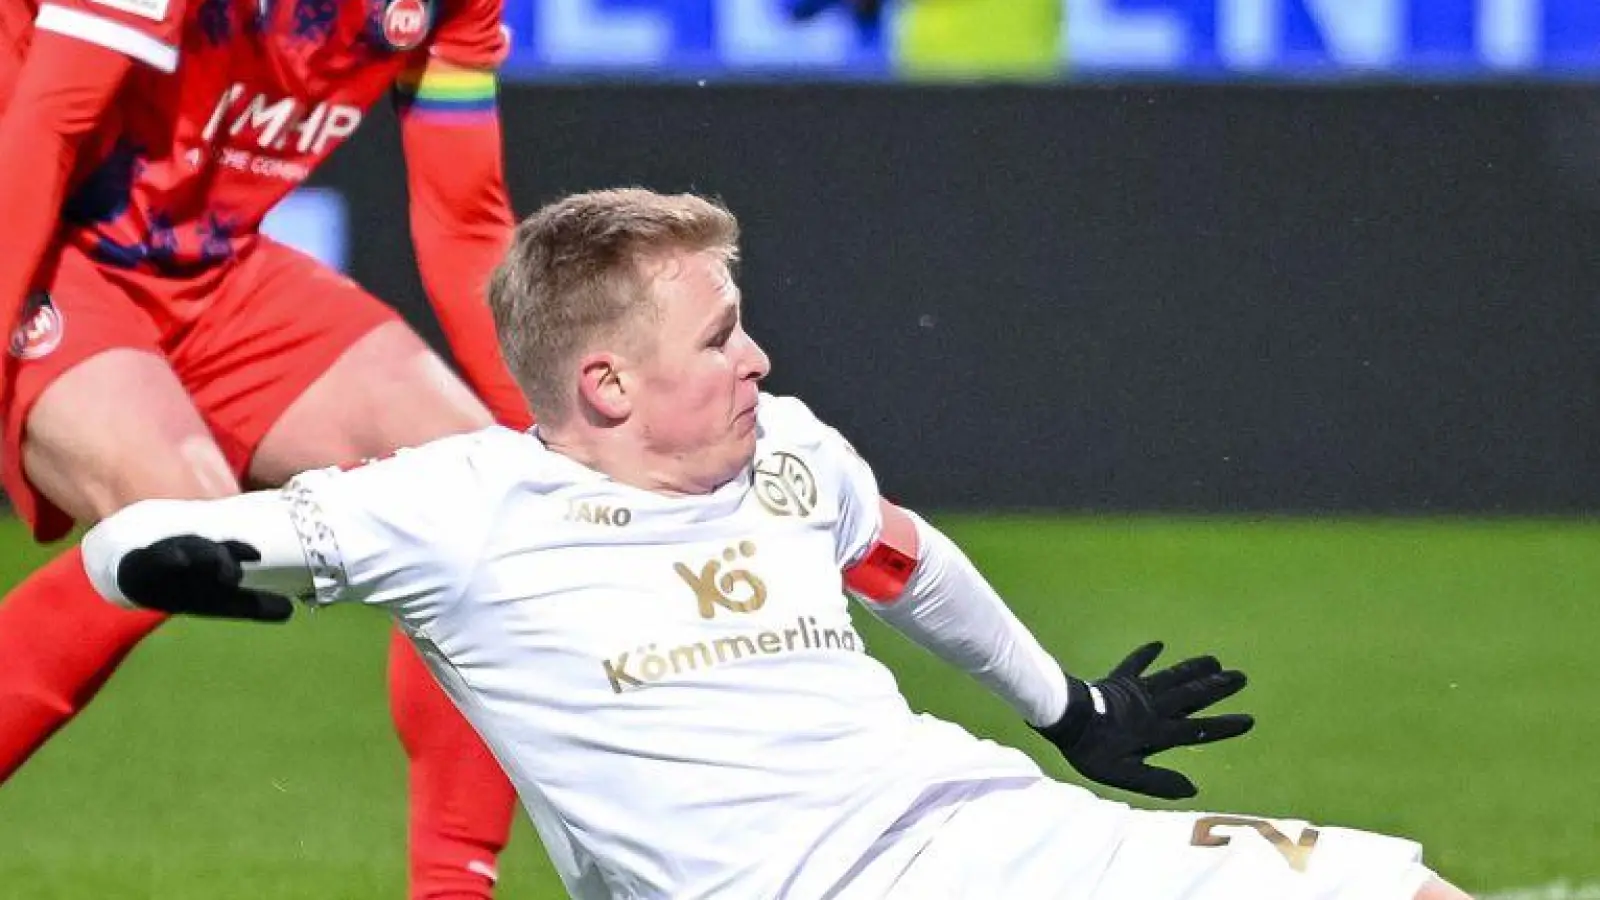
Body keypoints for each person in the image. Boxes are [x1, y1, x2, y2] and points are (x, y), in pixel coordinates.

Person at [80, 187, 1474, 900]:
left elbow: (908, 561)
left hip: (995, 839)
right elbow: (157, 539)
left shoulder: (793, 453)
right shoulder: (455, 508)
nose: (760, 358)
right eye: (719, 336)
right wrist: (153, 555)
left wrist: (1071, 707)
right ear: (608, 386)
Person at [0, 0, 528, 893]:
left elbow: (465, 222)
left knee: (488, 497)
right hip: (45, 237)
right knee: (183, 517)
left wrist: (547, 444)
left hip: (214, 268)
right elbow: (45, 127)